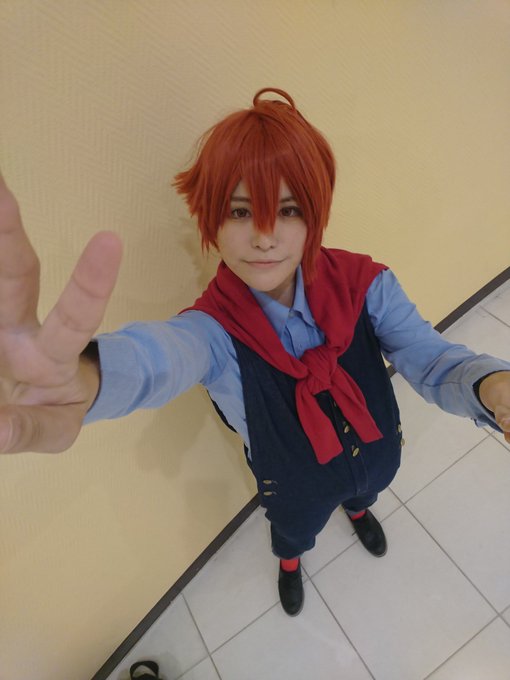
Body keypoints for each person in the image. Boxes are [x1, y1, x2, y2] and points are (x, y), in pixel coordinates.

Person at [1, 88, 510, 617]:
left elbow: (430, 358)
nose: (265, 237)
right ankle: (290, 562)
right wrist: (82, 379)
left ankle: (359, 511)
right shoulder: (213, 331)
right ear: (211, 221)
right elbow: (162, 357)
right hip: (290, 483)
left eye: (287, 210)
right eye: (241, 211)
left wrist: (493, 385)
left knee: (365, 492)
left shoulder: (367, 284)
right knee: (293, 531)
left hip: (376, 451)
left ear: (314, 215)